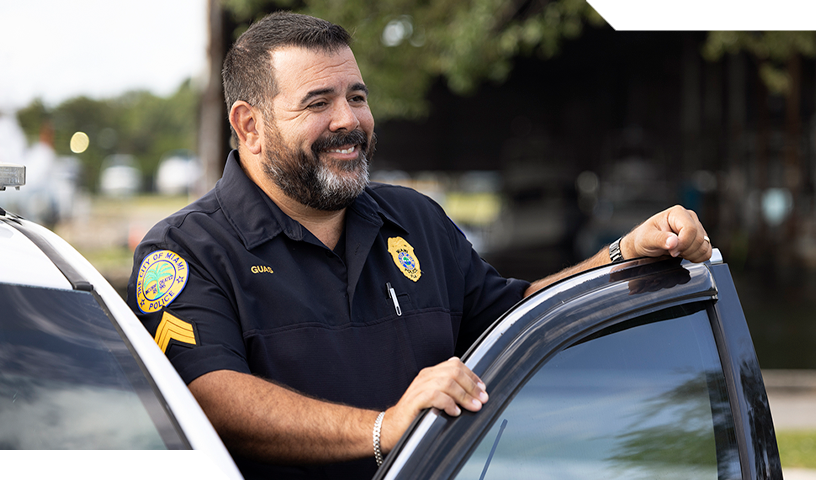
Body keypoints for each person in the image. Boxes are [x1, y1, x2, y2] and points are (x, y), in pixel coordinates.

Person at [126, 11, 711, 479]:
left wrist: (621, 258)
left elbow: (521, 315)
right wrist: (383, 428)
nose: (348, 120)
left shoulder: (415, 220)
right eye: (317, 103)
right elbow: (209, 398)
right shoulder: (185, 251)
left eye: (356, 96)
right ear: (249, 125)